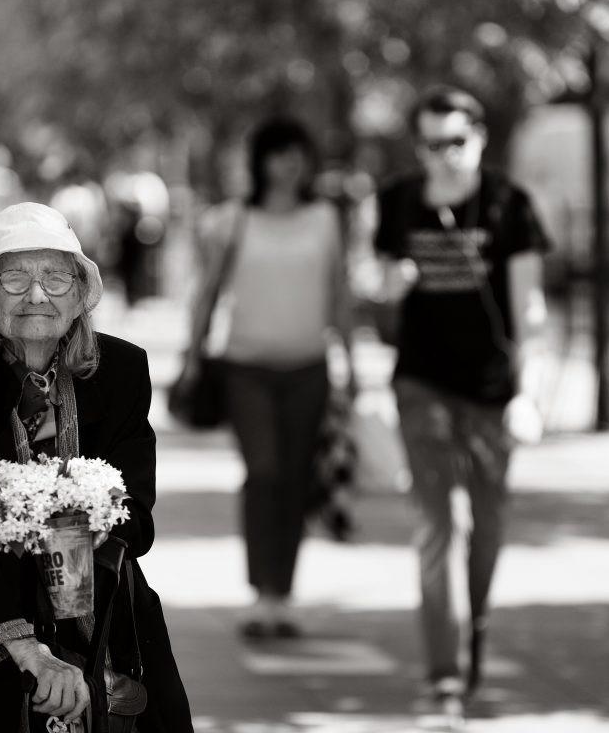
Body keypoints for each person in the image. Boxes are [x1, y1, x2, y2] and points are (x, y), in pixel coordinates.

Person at [0, 202, 193, 732]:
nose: (37, 295)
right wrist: (24, 645)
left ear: (81, 294)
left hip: (102, 620)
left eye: (57, 278)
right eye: (14, 277)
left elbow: (139, 519)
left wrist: (74, 517)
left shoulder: (121, 370)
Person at [372, 86, 550, 720]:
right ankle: (444, 673)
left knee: (488, 526)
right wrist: (390, 284)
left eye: (455, 142)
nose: (443, 156)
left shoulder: (509, 204)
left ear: (480, 138)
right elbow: (382, 281)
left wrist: (528, 394)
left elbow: (529, 309)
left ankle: (473, 628)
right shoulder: (397, 199)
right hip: (421, 383)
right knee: (442, 521)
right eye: (430, 143)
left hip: (492, 391)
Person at [178, 117, 356, 639]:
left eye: (297, 151)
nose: (290, 162)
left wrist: (350, 358)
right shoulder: (235, 219)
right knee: (265, 472)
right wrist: (192, 355)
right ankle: (260, 594)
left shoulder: (326, 217)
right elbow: (207, 292)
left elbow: (339, 293)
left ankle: (282, 595)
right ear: (261, 160)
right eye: (278, 152)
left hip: (310, 368)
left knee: (298, 478)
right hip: (247, 368)